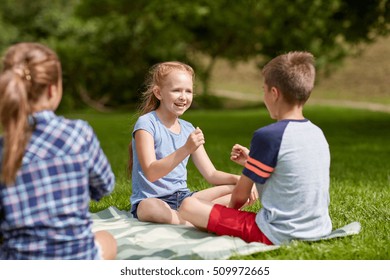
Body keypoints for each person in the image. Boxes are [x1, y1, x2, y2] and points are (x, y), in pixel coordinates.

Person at [179, 51, 332, 245]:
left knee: (188, 206)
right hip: (319, 228)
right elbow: (291, 168)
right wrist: (252, 160)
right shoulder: (317, 133)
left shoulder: (268, 136)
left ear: (274, 93)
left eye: (264, 90)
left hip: (277, 233)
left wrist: (223, 218)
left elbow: (240, 196)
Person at [0, 42, 117, 259]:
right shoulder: (79, 134)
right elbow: (105, 186)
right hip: (78, 259)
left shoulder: (3, 149)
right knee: (106, 239)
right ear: (53, 89)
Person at [129, 61, 253, 225]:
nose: (183, 96)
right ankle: (192, 220)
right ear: (158, 93)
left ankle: (194, 214)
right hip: (152, 199)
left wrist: (239, 180)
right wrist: (186, 148)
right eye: (176, 90)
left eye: (188, 91)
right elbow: (151, 173)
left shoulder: (188, 129)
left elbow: (211, 175)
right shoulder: (146, 124)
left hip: (185, 199)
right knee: (149, 208)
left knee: (243, 191)